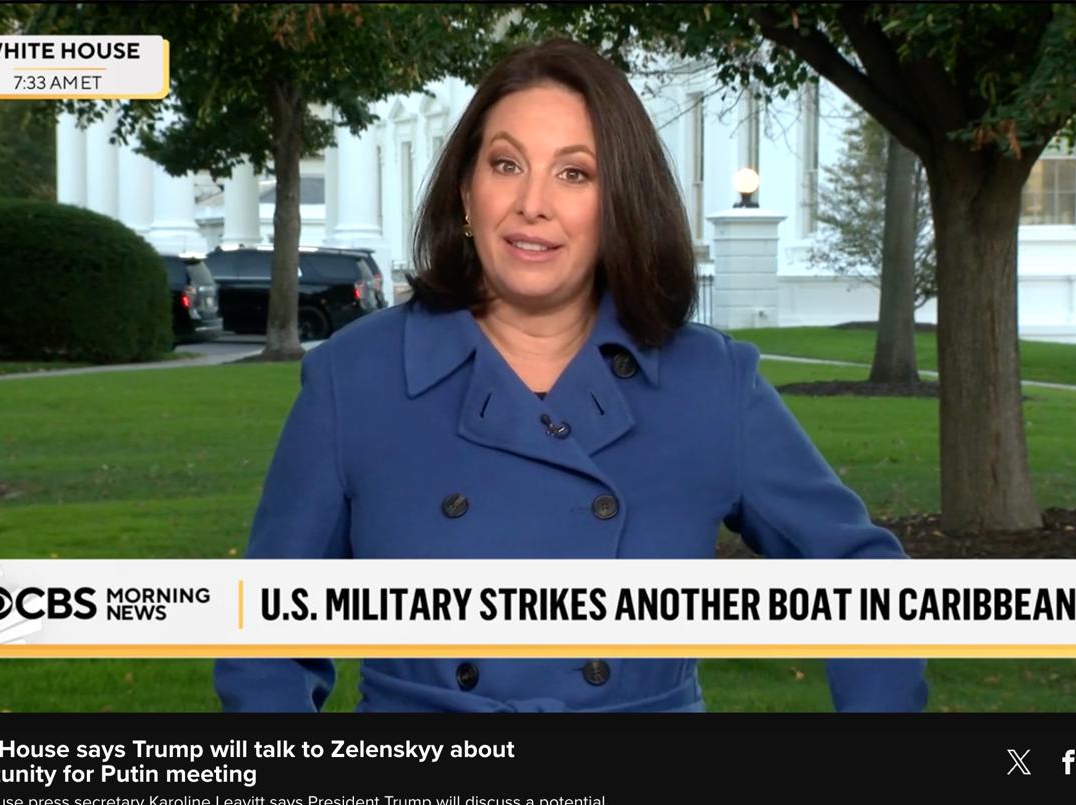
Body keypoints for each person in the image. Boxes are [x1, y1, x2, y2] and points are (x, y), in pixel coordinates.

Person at [215, 38, 927, 713]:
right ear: (465, 191)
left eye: (574, 173)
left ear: (618, 204)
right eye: (506, 165)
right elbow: (266, 639)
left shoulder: (709, 384)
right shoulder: (354, 378)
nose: (533, 203)